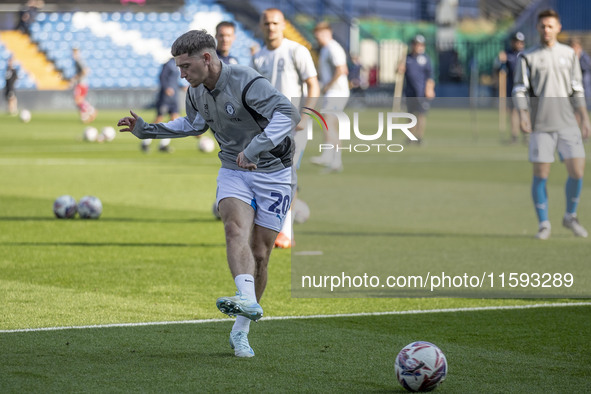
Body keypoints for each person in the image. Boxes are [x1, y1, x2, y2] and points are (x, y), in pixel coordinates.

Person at [117, 30, 299, 358]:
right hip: (233, 170)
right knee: (233, 228)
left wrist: (255, 148)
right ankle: (244, 297)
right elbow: (194, 124)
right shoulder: (195, 91)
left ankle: (240, 332)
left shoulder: (246, 81)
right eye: (178, 68)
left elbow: (287, 115)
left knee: (260, 253)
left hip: (275, 173)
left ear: (207, 58)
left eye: (186, 66)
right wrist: (148, 130)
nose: (182, 74)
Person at [513, 9, 590, 240]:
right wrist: (523, 114)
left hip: (568, 123)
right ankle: (544, 223)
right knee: (541, 174)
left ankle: (570, 216)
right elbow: (519, 89)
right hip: (541, 125)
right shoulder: (527, 57)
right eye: (543, 26)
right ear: (537, 28)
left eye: (550, 26)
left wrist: (584, 117)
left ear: (558, 28)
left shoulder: (569, 54)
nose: (546, 29)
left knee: (577, 172)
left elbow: (576, 89)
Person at [251, 8, 320, 248]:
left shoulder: (296, 50)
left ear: (283, 25)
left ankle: (286, 232)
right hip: (266, 129)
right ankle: (274, 227)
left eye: (275, 23)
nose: (271, 27)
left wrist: (305, 116)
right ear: (261, 25)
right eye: (267, 23)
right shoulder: (258, 57)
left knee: (285, 175)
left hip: (294, 127)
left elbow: (313, 85)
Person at [309, 21, 350, 172]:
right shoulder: (326, 49)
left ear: (327, 33)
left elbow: (342, 69)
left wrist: (328, 85)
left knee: (328, 122)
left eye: (319, 34)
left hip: (337, 92)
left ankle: (327, 154)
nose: (317, 38)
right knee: (330, 124)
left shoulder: (333, 47)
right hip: (333, 92)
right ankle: (336, 162)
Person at [398, 34, 435, 145]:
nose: (417, 46)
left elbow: (430, 76)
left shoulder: (426, 59)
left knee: (421, 114)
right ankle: (410, 137)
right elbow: (398, 70)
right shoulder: (407, 58)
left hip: (421, 91)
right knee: (410, 115)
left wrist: (430, 89)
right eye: (415, 44)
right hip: (410, 91)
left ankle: (419, 137)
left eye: (420, 44)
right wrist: (399, 68)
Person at [140, 58, 180, 153]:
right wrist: (166, 88)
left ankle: (164, 144)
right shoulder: (168, 64)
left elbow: (174, 80)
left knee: (174, 120)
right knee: (159, 119)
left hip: (174, 97)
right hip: (165, 97)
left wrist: (182, 87)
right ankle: (145, 141)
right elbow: (162, 77)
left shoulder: (179, 63)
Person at [495, 31, 526, 144]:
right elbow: (499, 69)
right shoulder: (507, 54)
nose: (519, 44)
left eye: (520, 42)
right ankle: (514, 136)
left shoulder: (525, 54)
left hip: (524, 88)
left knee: (524, 111)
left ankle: (526, 135)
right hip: (511, 88)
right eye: (516, 42)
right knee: (513, 112)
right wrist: (500, 61)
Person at [71, 47, 97, 123]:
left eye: (74, 52)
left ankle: (91, 110)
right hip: (82, 83)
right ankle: (85, 114)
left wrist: (76, 77)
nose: (73, 54)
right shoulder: (77, 61)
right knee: (79, 100)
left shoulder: (78, 61)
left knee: (77, 100)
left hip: (81, 83)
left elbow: (85, 71)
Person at [569, 37, 591, 109]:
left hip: (584, 84)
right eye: (572, 47)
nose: (574, 49)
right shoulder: (570, 56)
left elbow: (586, 68)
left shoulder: (584, 57)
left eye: (575, 47)